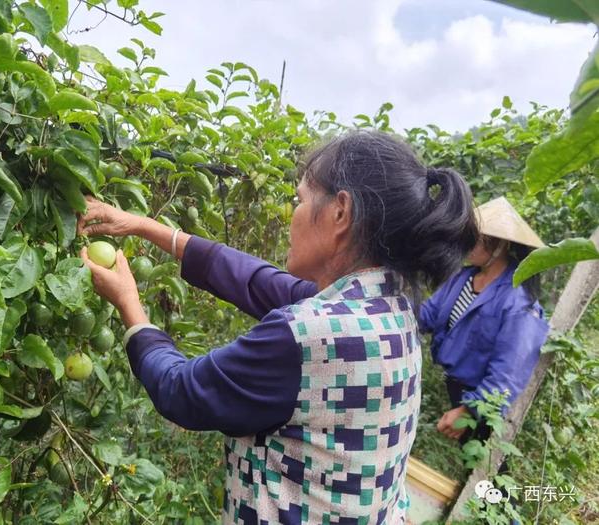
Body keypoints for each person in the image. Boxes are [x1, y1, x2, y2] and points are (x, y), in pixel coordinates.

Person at [77, 131, 478, 524]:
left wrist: (128, 303)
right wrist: (142, 226)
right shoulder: (387, 307)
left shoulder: (304, 336)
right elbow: (256, 281)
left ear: (340, 212)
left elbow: (181, 390)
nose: (293, 214)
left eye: (299, 200)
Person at [417, 196, 550, 448]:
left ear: (499, 245)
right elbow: (428, 315)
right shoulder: (462, 278)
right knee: (474, 467)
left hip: (483, 401)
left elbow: (510, 370)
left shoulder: (518, 300)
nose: (464, 243)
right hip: (457, 389)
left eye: (472, 237)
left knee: (488, 469)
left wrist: (469, 411)